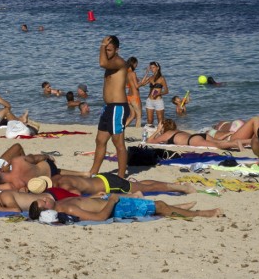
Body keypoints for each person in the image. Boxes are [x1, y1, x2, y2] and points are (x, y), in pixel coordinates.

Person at [89, 36, 129, 178]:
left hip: (118, 107)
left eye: (109, 49)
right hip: (108, 107)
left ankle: (121, 176)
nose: (107, 52)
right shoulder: (110, 62)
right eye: (105, 50)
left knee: (118, 142)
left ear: (117, 50)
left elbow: (101, 63)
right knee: (100, 140)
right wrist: (103, 47)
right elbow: (104, 61)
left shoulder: (119, 62)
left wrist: (101, 45)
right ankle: (93, 172)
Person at [29, 193, 222, 222]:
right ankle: (202, 213)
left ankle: (180, 208)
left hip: (111, 201)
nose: (45, 198)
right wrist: (111, 201)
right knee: (161, 206)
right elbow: (99, 218)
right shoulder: (66, 210)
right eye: (43, 203)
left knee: (159, 205)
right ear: (46, 210)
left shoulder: (62, 202)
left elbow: (85, 201)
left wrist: (97, 197)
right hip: (118, 208)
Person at [47, 172, 196, 196]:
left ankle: (181, 188)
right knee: (142, 185)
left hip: (110, 185)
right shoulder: (58, 177)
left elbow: (77, 194)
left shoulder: (63, 187)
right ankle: (174, 185)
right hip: (102, 178)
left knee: (147, 188)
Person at [147, 119, 245, 150]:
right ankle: (245, 142)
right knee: (219, 142)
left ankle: (236, 144)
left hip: (193, 140)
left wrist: (157, 130)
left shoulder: (167, 133)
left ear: (164, 128)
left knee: (217, 145)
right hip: (199, 135)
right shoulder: (177, 131)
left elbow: (149, 141)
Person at [139, 61, 168, 127]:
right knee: (149, 120)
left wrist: (159, 93)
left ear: (157, 68)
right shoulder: (150, 77)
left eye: (153, 67)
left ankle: (161, 134)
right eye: (151, 68)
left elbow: (166, 91)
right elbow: (142, 84)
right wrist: (146, 72)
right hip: (149, 100)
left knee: (160, 120)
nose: (152, 69)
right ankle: (150, 133)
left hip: (158, 101)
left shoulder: (162, 78)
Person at [124, 57, 142, 128]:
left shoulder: (125, 73)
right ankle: (137, 130)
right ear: (133, 64)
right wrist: (143, 83)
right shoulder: (133, 73)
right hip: (135, 96)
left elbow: (127, 85)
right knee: (139, 115)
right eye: (136, 64)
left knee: (132, 115)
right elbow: (137, 86)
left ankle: (122, 127)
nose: (136, 66)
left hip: (128, 97)